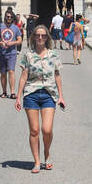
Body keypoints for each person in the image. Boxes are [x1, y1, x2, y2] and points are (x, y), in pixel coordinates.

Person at [13, 23, 65, 172]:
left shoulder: (53, 54)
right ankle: (36, 161)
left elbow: (57, 76)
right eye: (37, 35)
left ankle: (46, 154)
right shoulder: (28, 55)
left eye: (43, 35)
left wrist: (61, 96)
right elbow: (23, 77)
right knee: (34, 130)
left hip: (49, 94)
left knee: (47, 130)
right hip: (31, 94)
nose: (40, 37)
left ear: (47, 37)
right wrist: (18, 97)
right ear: (33, 37)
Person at [0, 9, 23, 98]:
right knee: (3, 73)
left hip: (12, 53)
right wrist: (0, 43)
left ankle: (13, 92)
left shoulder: (15, 28)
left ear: (12, 18)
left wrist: (12, 43)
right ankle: (4, 91)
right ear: (5, 17)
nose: (8, 18)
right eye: (7, 16)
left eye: (10, 17)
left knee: (11, 71)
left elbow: (20, 40)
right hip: (1, 53)